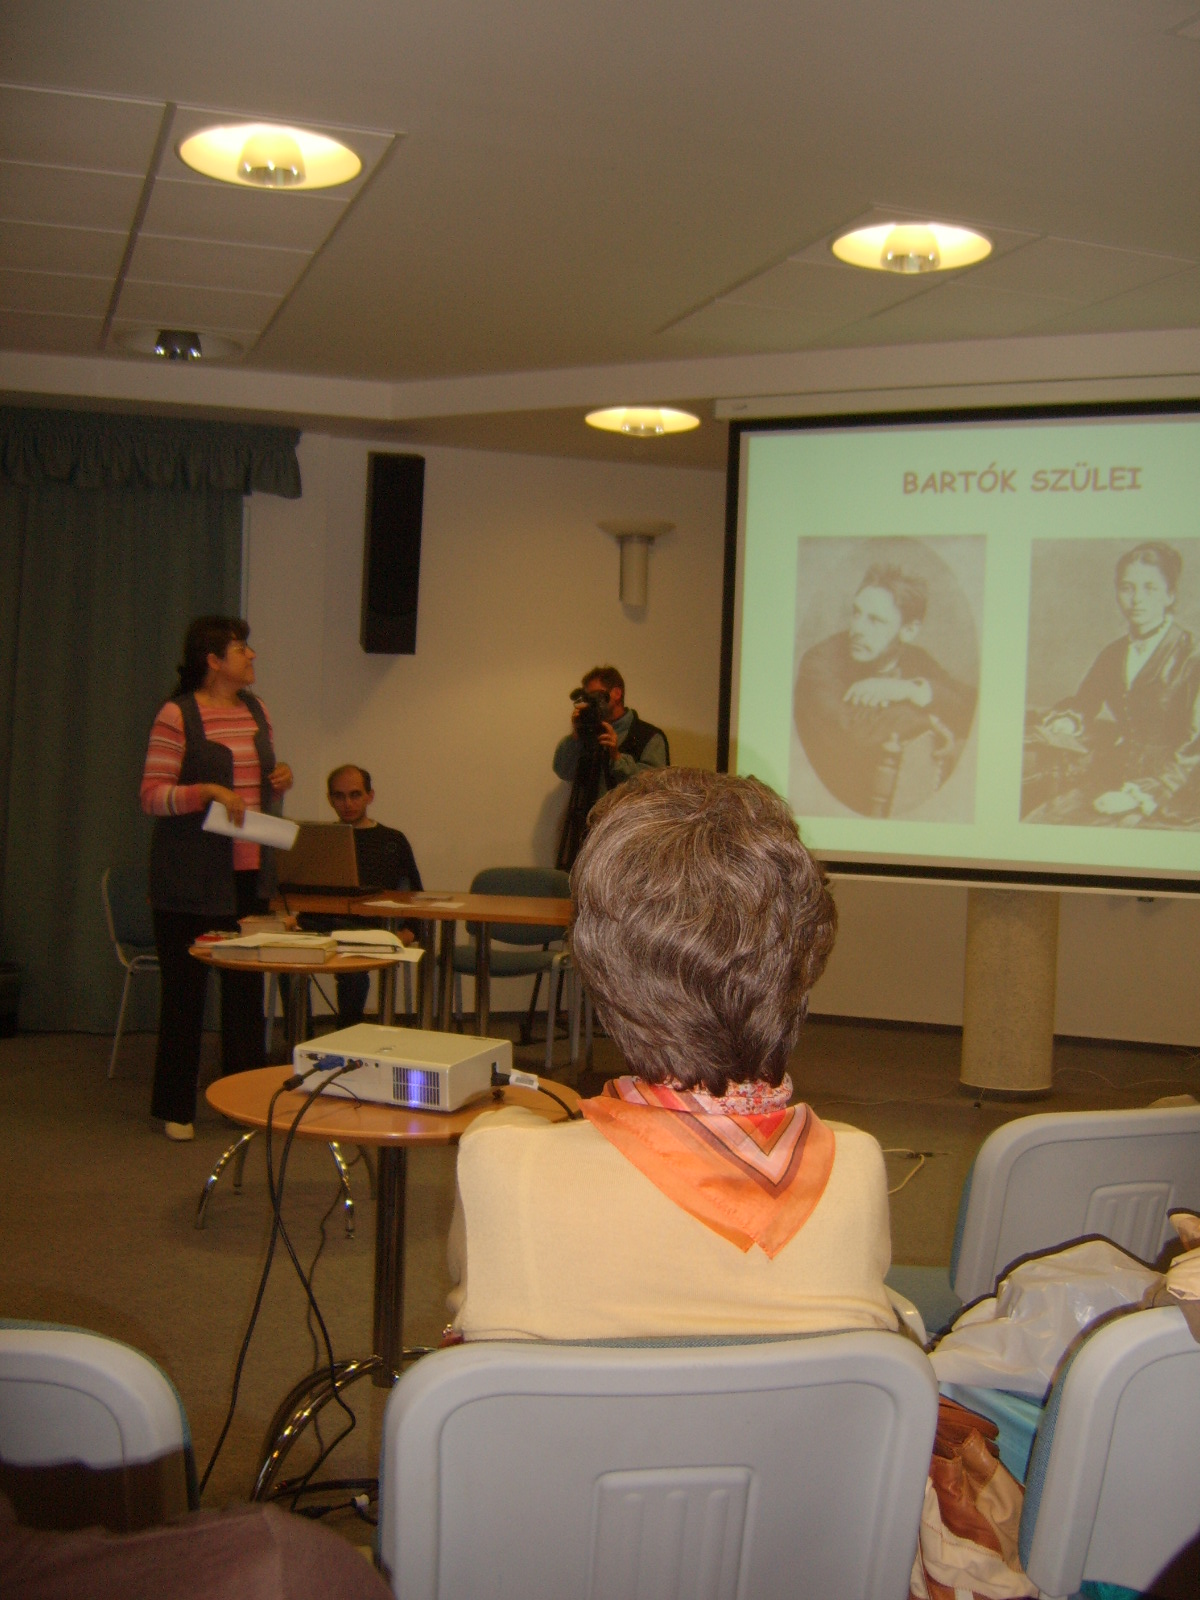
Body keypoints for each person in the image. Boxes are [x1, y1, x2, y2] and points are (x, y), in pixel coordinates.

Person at [447, 767, 898, 1342]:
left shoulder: (500, 1161)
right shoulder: (855, 1167)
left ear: (598, 966)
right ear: (805, 957)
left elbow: (466, 1323)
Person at [140, 616, 293, 1141]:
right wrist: (205, 791)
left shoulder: (257, 710)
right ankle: (175, 1109)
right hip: (189, 878)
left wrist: (280, 780)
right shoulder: (177, 714)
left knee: (245, 1000)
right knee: (185, 996)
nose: (251, 656)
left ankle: (242, 1104)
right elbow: (151, 796)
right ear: (212, 660)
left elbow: (257, 787)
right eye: (241, 648)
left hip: (248, 875)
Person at [1023, 542, 1200, 827]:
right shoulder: (1114, 653)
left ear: (1170, 595)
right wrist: (1070, 720)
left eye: (1150, 588)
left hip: (1177, 789)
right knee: (1043, 820)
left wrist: (1143, 794)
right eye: (1127, 588)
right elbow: (1086, 700)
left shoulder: (1192, 656)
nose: (1137, 599)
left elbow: (1197, 745)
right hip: (1116, 774)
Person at [794, 564, 977, 817]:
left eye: (875, 620)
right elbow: (853, 728)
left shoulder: (915, 659)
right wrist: (930, 723)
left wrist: (908, 689)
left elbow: (971, 707)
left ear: (908, 631)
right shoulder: (819, 662)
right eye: (856, 613)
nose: (857, 629)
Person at [319, 763, 422, 1027]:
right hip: (327, 925)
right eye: (339, 796)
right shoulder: (323, 840)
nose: (347, 804)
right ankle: (300, 1034)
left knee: (353, 971)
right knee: (288, 961)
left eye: (355, 795)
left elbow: (414, 893)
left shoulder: (392, 840)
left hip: (375, 928)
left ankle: (347, 1033)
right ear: (330, 799)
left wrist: (410, 930)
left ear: (369, 796)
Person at [552, 665, 668, 866]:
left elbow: (655, 787)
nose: (590, 703)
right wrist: (575, 737)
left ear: (616, 693)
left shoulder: (648, 736)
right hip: (586, 836)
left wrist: (617, 757)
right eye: (587, 698)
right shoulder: (587, 735)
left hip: (629, 839)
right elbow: (563, 770)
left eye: (596, 696)